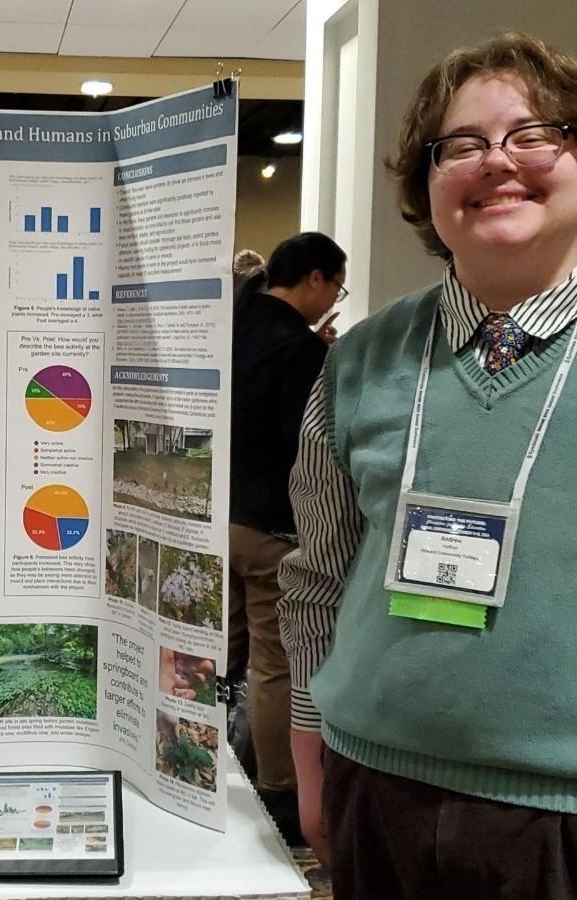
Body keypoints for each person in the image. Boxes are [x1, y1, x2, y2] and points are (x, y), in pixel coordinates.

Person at [278, 31, 577, 897]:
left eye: (534, 134)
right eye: (463, 146)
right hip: (374, 786)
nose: (497, 163)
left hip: (560, 810)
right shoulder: (359, 362)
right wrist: (311, 769)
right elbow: (316, 585)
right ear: (427, 180)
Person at [229, 231, 346, 843]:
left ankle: (209, 758)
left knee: (219, 650)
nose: (332, 301)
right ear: (316, 280)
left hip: (217, 518)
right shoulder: (300, 350)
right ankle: (277, 789)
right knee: (275, 665)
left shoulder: (234, 323)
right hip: (272, 526)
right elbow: (304, 451)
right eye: (335, 288)